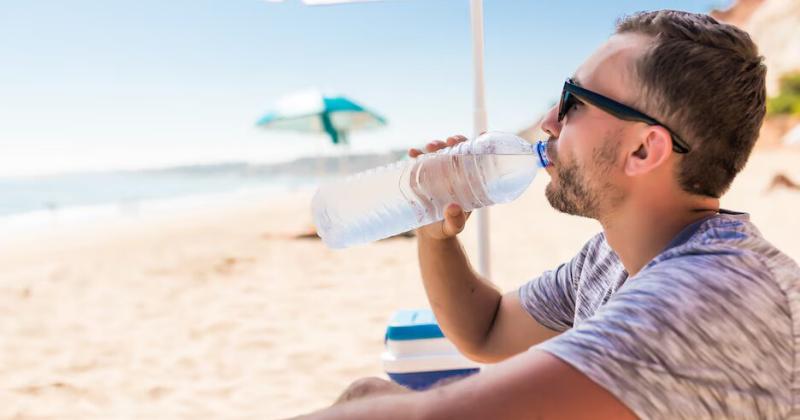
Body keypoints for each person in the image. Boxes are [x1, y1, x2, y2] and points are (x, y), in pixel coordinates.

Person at [293, 9, 800, 420]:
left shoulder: (716, 291)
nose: (548, 121)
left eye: (574, 101)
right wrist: (435, 232)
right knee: (366, 392)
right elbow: (486, 331)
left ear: (644, 151)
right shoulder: (610, 256)